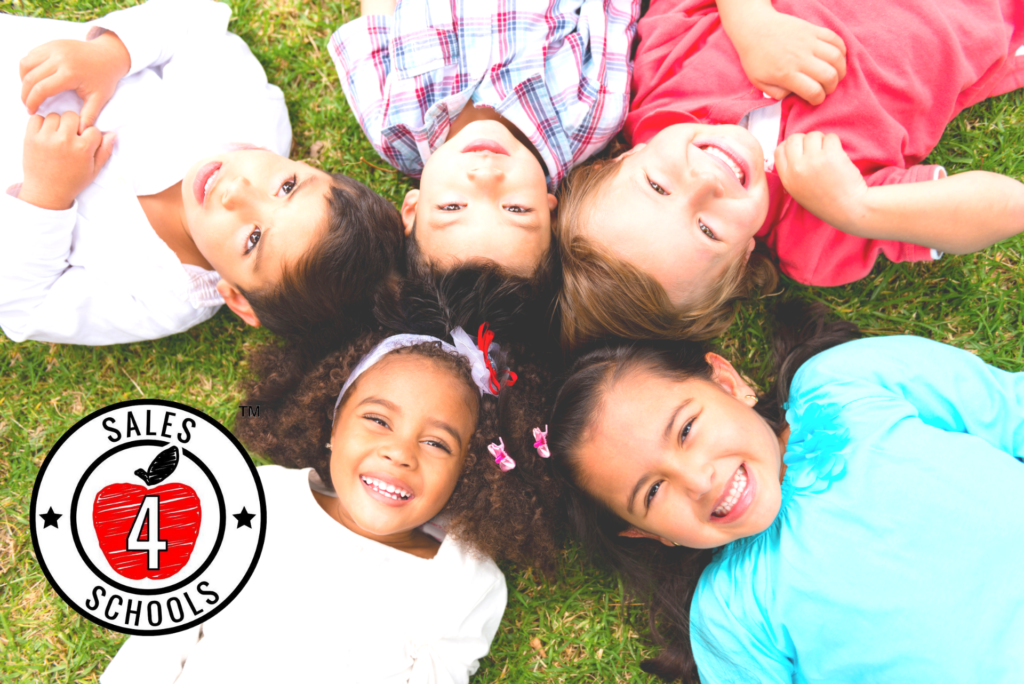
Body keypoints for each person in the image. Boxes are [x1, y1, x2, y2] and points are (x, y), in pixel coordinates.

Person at [546, 303, 1024, 683]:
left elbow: (1011, 411)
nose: (698, 481)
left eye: (687, 428)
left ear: (728, 383)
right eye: (652, 493)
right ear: (648, 534)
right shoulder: (729, 617)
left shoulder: (843, 383)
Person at [101, 322, 561, 683]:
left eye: (438, 444)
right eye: (378, 419)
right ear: (332, 424)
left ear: (468, 471)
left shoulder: (466, 580)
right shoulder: (263, 499)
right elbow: (167, 631)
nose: (400, 453)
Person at [554, 0, 1024, 349]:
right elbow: (1007, 207)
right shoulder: (814, 232)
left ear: (618, 159)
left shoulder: (659, 89)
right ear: (741, 262)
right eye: (707, 229)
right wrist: (858, 208)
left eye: (658, 186)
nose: (705, 183)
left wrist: (752, 23)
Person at [0, 0, 403, 346]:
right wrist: (111, 54)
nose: (237, 192)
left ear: (238, 298)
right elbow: (198, 23)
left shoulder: (164, 299)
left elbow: (25, 307)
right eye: (286, 186)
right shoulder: (249, 114)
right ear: (310, 167)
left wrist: (46, 195)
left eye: (253, 238)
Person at [328, 0, 640, 278]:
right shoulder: (591, 114)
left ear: (413, 208)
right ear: (552, 213)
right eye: (516, 209)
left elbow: (375, 23)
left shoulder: (391, 127)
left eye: (452, 207)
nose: (485, 175)